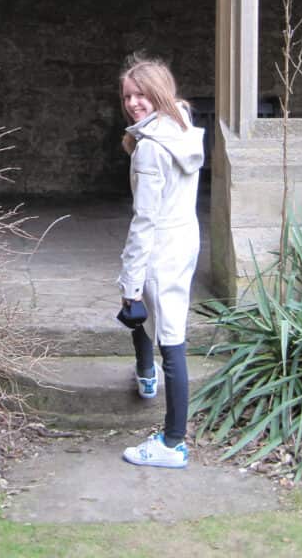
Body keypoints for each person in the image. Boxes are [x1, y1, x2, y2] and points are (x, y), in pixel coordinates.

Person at [116, 54, 204, 469]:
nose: (133, 103)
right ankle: (146, 374)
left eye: (141, 95)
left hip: (159, 249)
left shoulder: (151, 149)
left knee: (163, 333)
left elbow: (144, 221)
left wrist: (130, 282)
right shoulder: (182, 126)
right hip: (184, 240)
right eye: (128, 96)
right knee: (159, 322)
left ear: (159, 93)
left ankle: (172, 442)